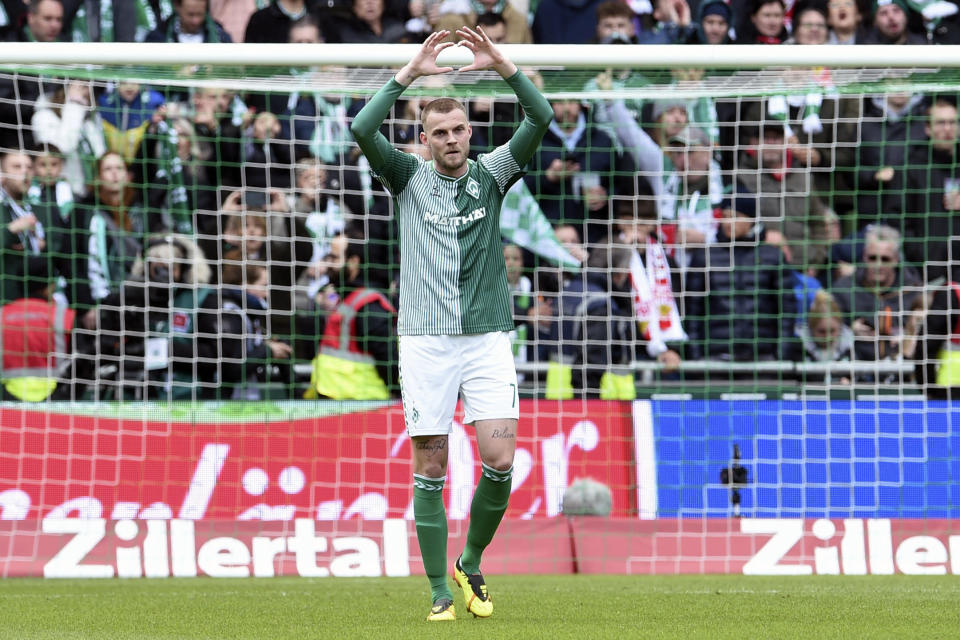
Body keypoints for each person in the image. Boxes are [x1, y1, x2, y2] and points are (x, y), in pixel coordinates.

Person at [349, 27, 552, 621]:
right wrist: (409, 72)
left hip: (487, 337)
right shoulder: (405, 176)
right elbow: (363, 129)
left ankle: (471, 561)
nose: (451, 139)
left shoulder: (493, 172)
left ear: (469, 131)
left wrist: (501, 65)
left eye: (458, 129)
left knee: (500, 459)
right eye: (438, 132)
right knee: (431, 463)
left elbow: (540, 117)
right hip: (426, 341)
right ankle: (440, 588)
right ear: (424, 139)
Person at [0, 254, 74, 401]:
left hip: (7, 401)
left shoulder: (3, 315)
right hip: (57, 399)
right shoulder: (64, 316)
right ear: (49, 286)